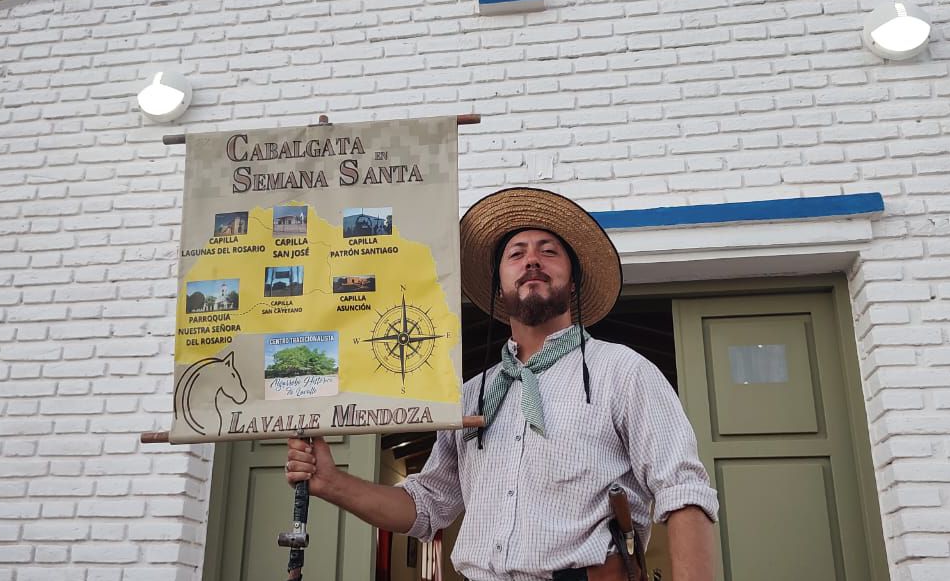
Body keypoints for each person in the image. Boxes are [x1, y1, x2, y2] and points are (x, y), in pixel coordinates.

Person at [287, 187, 719, 581]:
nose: (532, 260)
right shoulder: (472, 394)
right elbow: (427, 506)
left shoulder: (624, 372)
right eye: (516, 253)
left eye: (548, 251)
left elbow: (683, 493)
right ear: (499, 287)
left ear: (574, 281)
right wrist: (331, 482)